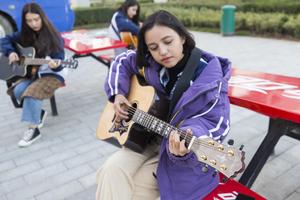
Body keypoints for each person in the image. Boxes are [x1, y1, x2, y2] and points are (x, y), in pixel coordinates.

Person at [96, 10, 231, 200]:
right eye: (153, 47)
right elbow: (122, 61)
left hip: (176, 153)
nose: (163, 52)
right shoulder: (151, 63)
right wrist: (118, 94)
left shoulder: (207, 77)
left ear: (182, 37)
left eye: (168, 42)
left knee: (135, 191)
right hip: (145, 138)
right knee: (110, 171)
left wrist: (190, 135)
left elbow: (216, 123)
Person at [0, 3, 66, 147]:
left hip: (52, 74)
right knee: (17, 91)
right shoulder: (25, 34)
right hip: (34, 72)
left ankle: (33, 129)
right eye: (29, 21)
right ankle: (39, 113)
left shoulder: (54, 36)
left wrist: (56, 64)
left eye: (36, 19)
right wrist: (11, 52)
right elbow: (4, 40)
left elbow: (59, 62)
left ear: (42, 17)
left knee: (31, 93)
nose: (33, 24)